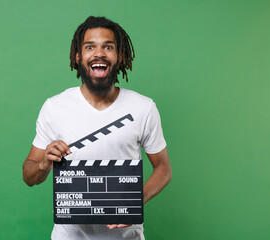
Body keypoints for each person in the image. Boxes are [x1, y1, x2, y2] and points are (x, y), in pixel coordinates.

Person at [23, 16, 172, 240]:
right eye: (90, 47)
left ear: (120, 56)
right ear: (77, 56)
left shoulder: (143, 108)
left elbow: (163, 168)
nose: (99, 53)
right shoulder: (55, 107)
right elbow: (29, 175)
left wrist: (135, 202)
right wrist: (44, 163)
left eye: (108, 47)